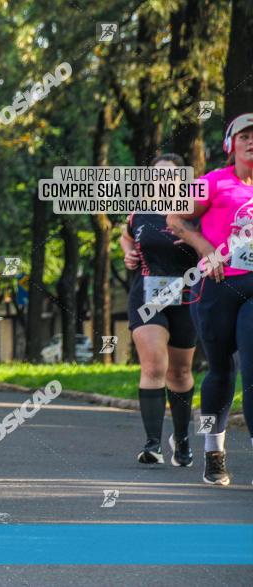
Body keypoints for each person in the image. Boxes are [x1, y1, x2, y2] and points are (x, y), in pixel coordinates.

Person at [168, 113, 253, 486]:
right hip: (217, 287)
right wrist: (207, 249)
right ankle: (213, 451)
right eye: (245, 136)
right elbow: (175, 219)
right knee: (221, 372)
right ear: (230, 145)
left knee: (252, 372)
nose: (252, 142)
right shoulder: (213, 182)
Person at [121, 154, 199, 467]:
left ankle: (181, 440)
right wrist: (128, 254)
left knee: (179, 373)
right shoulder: (139, 212)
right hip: (147, 296)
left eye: (169, 175)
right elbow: (126, 238)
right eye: (157, 175)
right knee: (153, 366)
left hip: (187, 297)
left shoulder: (194, 212)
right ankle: (152, 445)